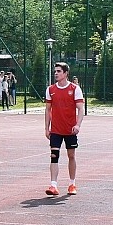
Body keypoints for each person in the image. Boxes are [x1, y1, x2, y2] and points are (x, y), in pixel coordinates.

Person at [45, 62, 84, 196]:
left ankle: (72, 184)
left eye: (59, 71)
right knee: (54, 156)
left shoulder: (75, 89)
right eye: (55, 71)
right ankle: (53, 185)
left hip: (70, 130)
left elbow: (80, 109)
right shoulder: (50, 89)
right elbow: (48, 110)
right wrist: (46, 128)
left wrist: (77, 125)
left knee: (71, 155)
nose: (56, 73)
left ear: (66, 73)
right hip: (56, 129)